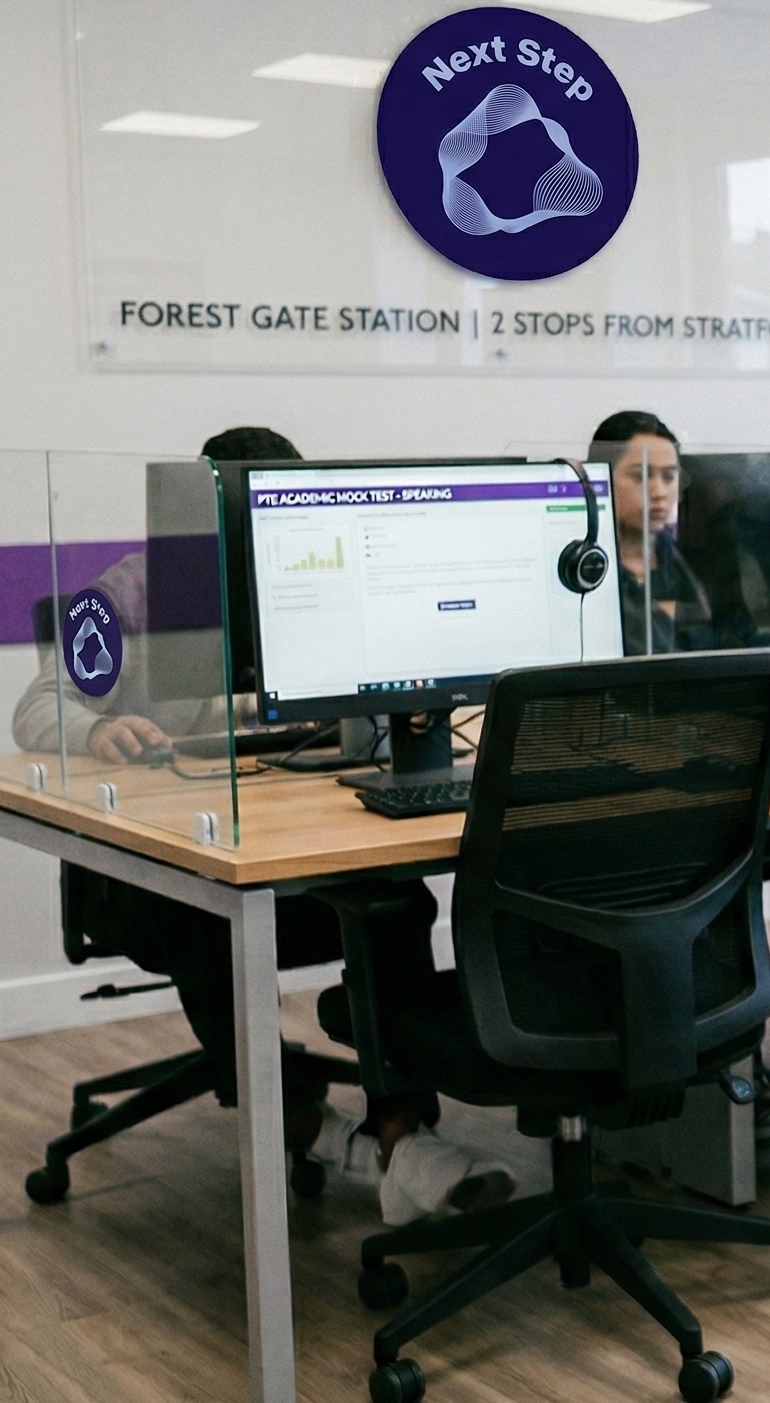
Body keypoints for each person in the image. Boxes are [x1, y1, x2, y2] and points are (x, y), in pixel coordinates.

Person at [9, 427, 510, 1226]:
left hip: (299, 838)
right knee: (215, 925)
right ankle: (314, 1130)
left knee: (395, 901)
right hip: (164, 868)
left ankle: (402, 1136)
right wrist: (96, 731)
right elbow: (38, 707)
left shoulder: (332, 582)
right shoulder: (131, 590)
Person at [586, 410, 713, 655]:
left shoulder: (696, 565)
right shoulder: (584, 571)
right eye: (641, 475)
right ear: (601, 477)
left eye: (669, 476)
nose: (659, 492)